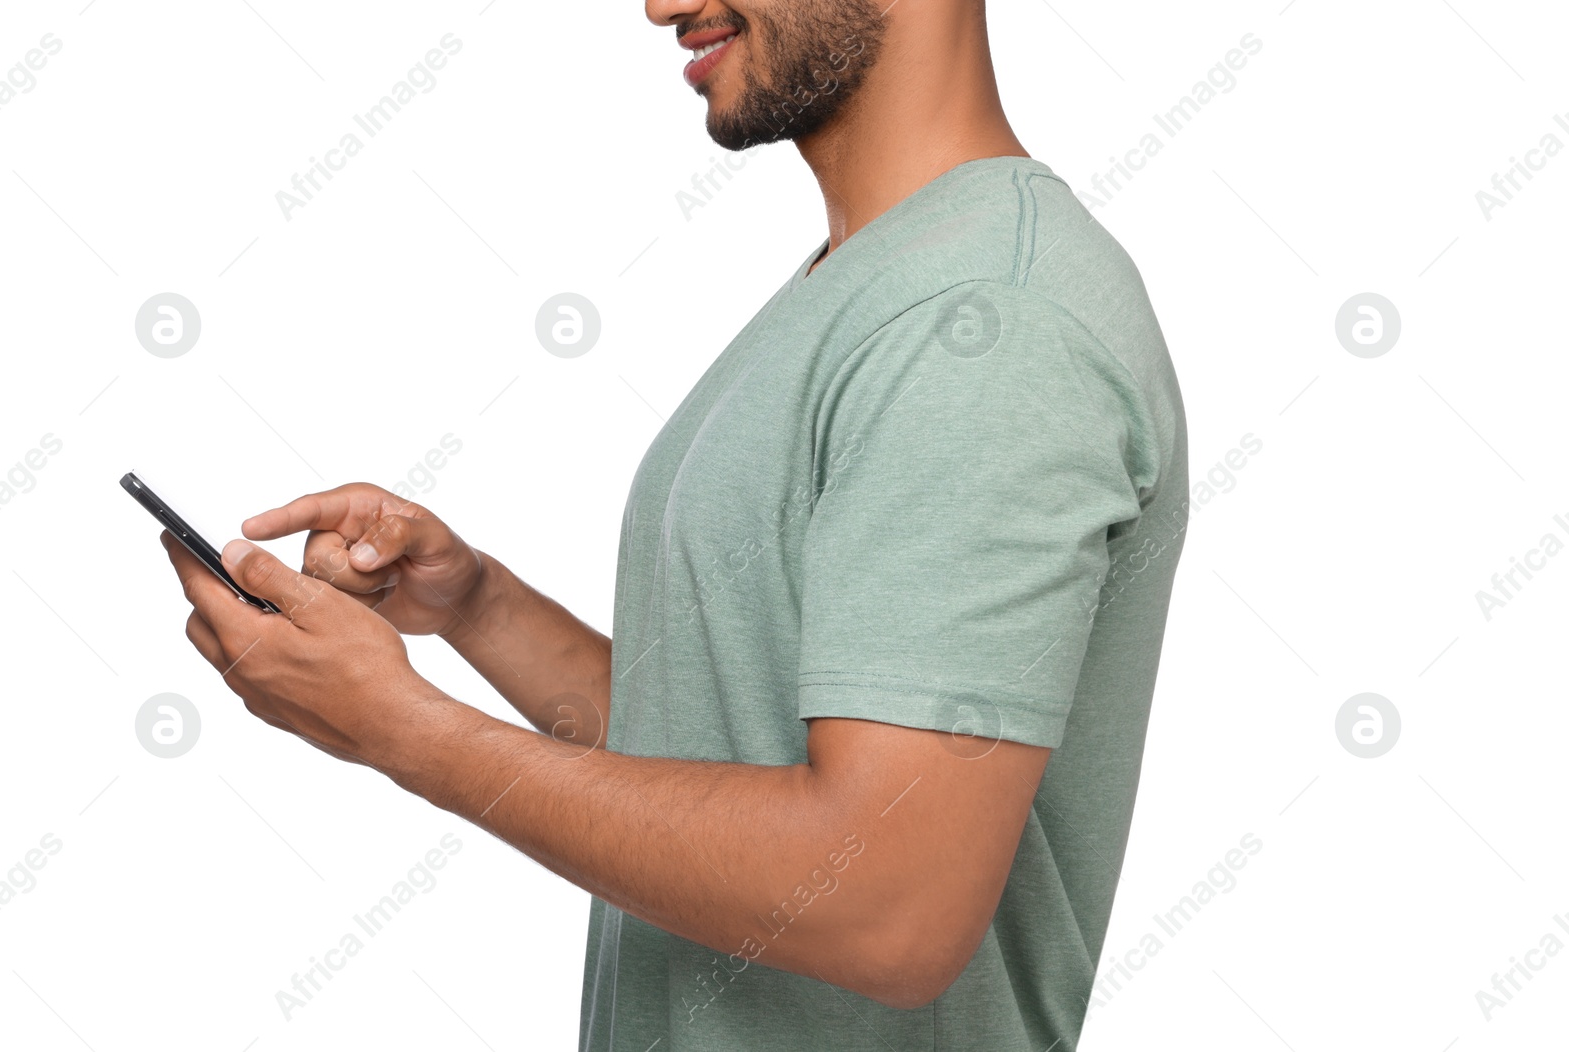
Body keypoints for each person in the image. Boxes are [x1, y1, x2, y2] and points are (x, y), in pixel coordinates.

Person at [163, 1, 1190, 1048]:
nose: (659, 4)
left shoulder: (985, 323)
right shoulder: (875, 279)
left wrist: (402, 728)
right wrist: (477, 604)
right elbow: (727, 748)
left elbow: (887, 903)